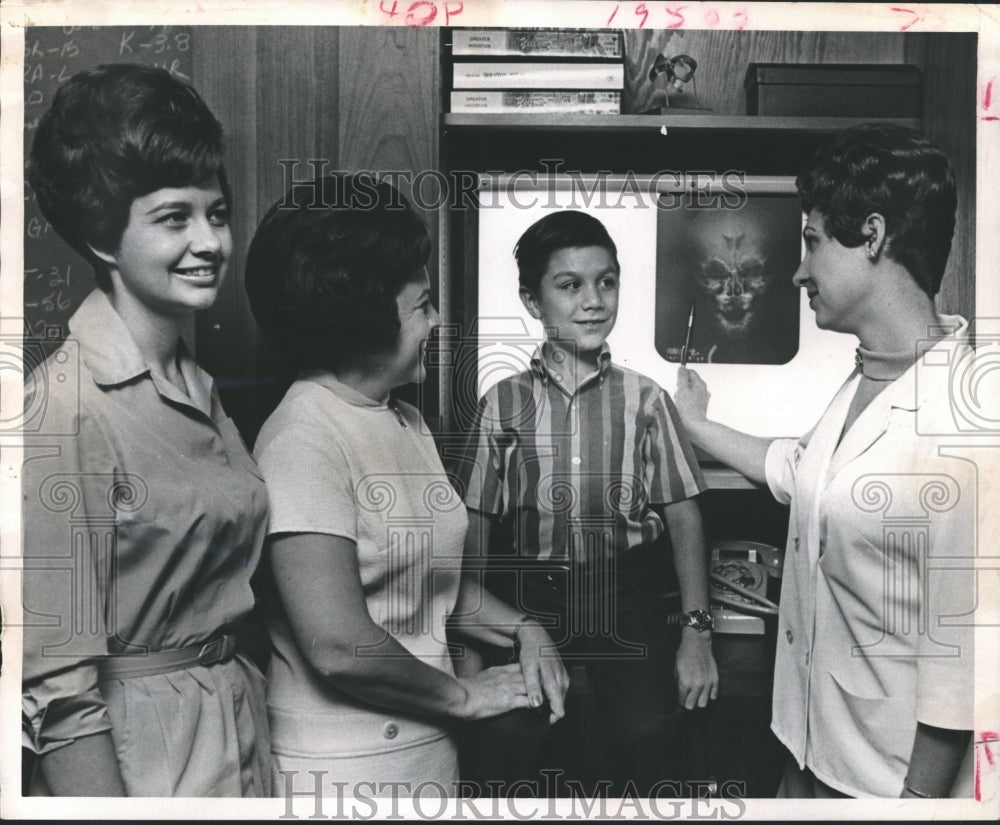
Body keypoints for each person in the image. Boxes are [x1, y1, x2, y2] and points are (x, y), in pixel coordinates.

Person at [674, 123, 976, 798]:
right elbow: (801, 469)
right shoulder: (863, 380)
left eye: (811, 241)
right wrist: (696, 423)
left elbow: (966, 666)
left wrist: (917, 809)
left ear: (872, 235)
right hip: (805, 757)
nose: (799, 269)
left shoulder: (965, 422)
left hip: (888, 787)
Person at [245, 174, 568, 797]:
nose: (438, 318)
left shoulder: (402, 418)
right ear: (362, 317)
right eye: (422, 304)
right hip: (344, 771)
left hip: (422, 753)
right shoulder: (302, 437)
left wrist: (526, 629)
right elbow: (338, 643)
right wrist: (464, 696)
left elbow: (429, 585)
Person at [21, 63, 271, 796]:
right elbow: (57, 690)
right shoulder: (62, 410)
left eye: (217, 212)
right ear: (105, 240)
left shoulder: (200, 387)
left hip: (239, 728)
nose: (210, 241)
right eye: (173, 218)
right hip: (142, 760)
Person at [454, 210, 719, 796]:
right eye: (570, 285)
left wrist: (697, 636)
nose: (593, 301)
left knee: (652, 730)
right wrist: (471, 643)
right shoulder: (502, 403)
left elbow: (684, 515)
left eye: (607, 282)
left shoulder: (645, 400)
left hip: (622, 591)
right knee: (512, 733)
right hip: (528, 595)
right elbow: (475, 526)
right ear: (533, 300)